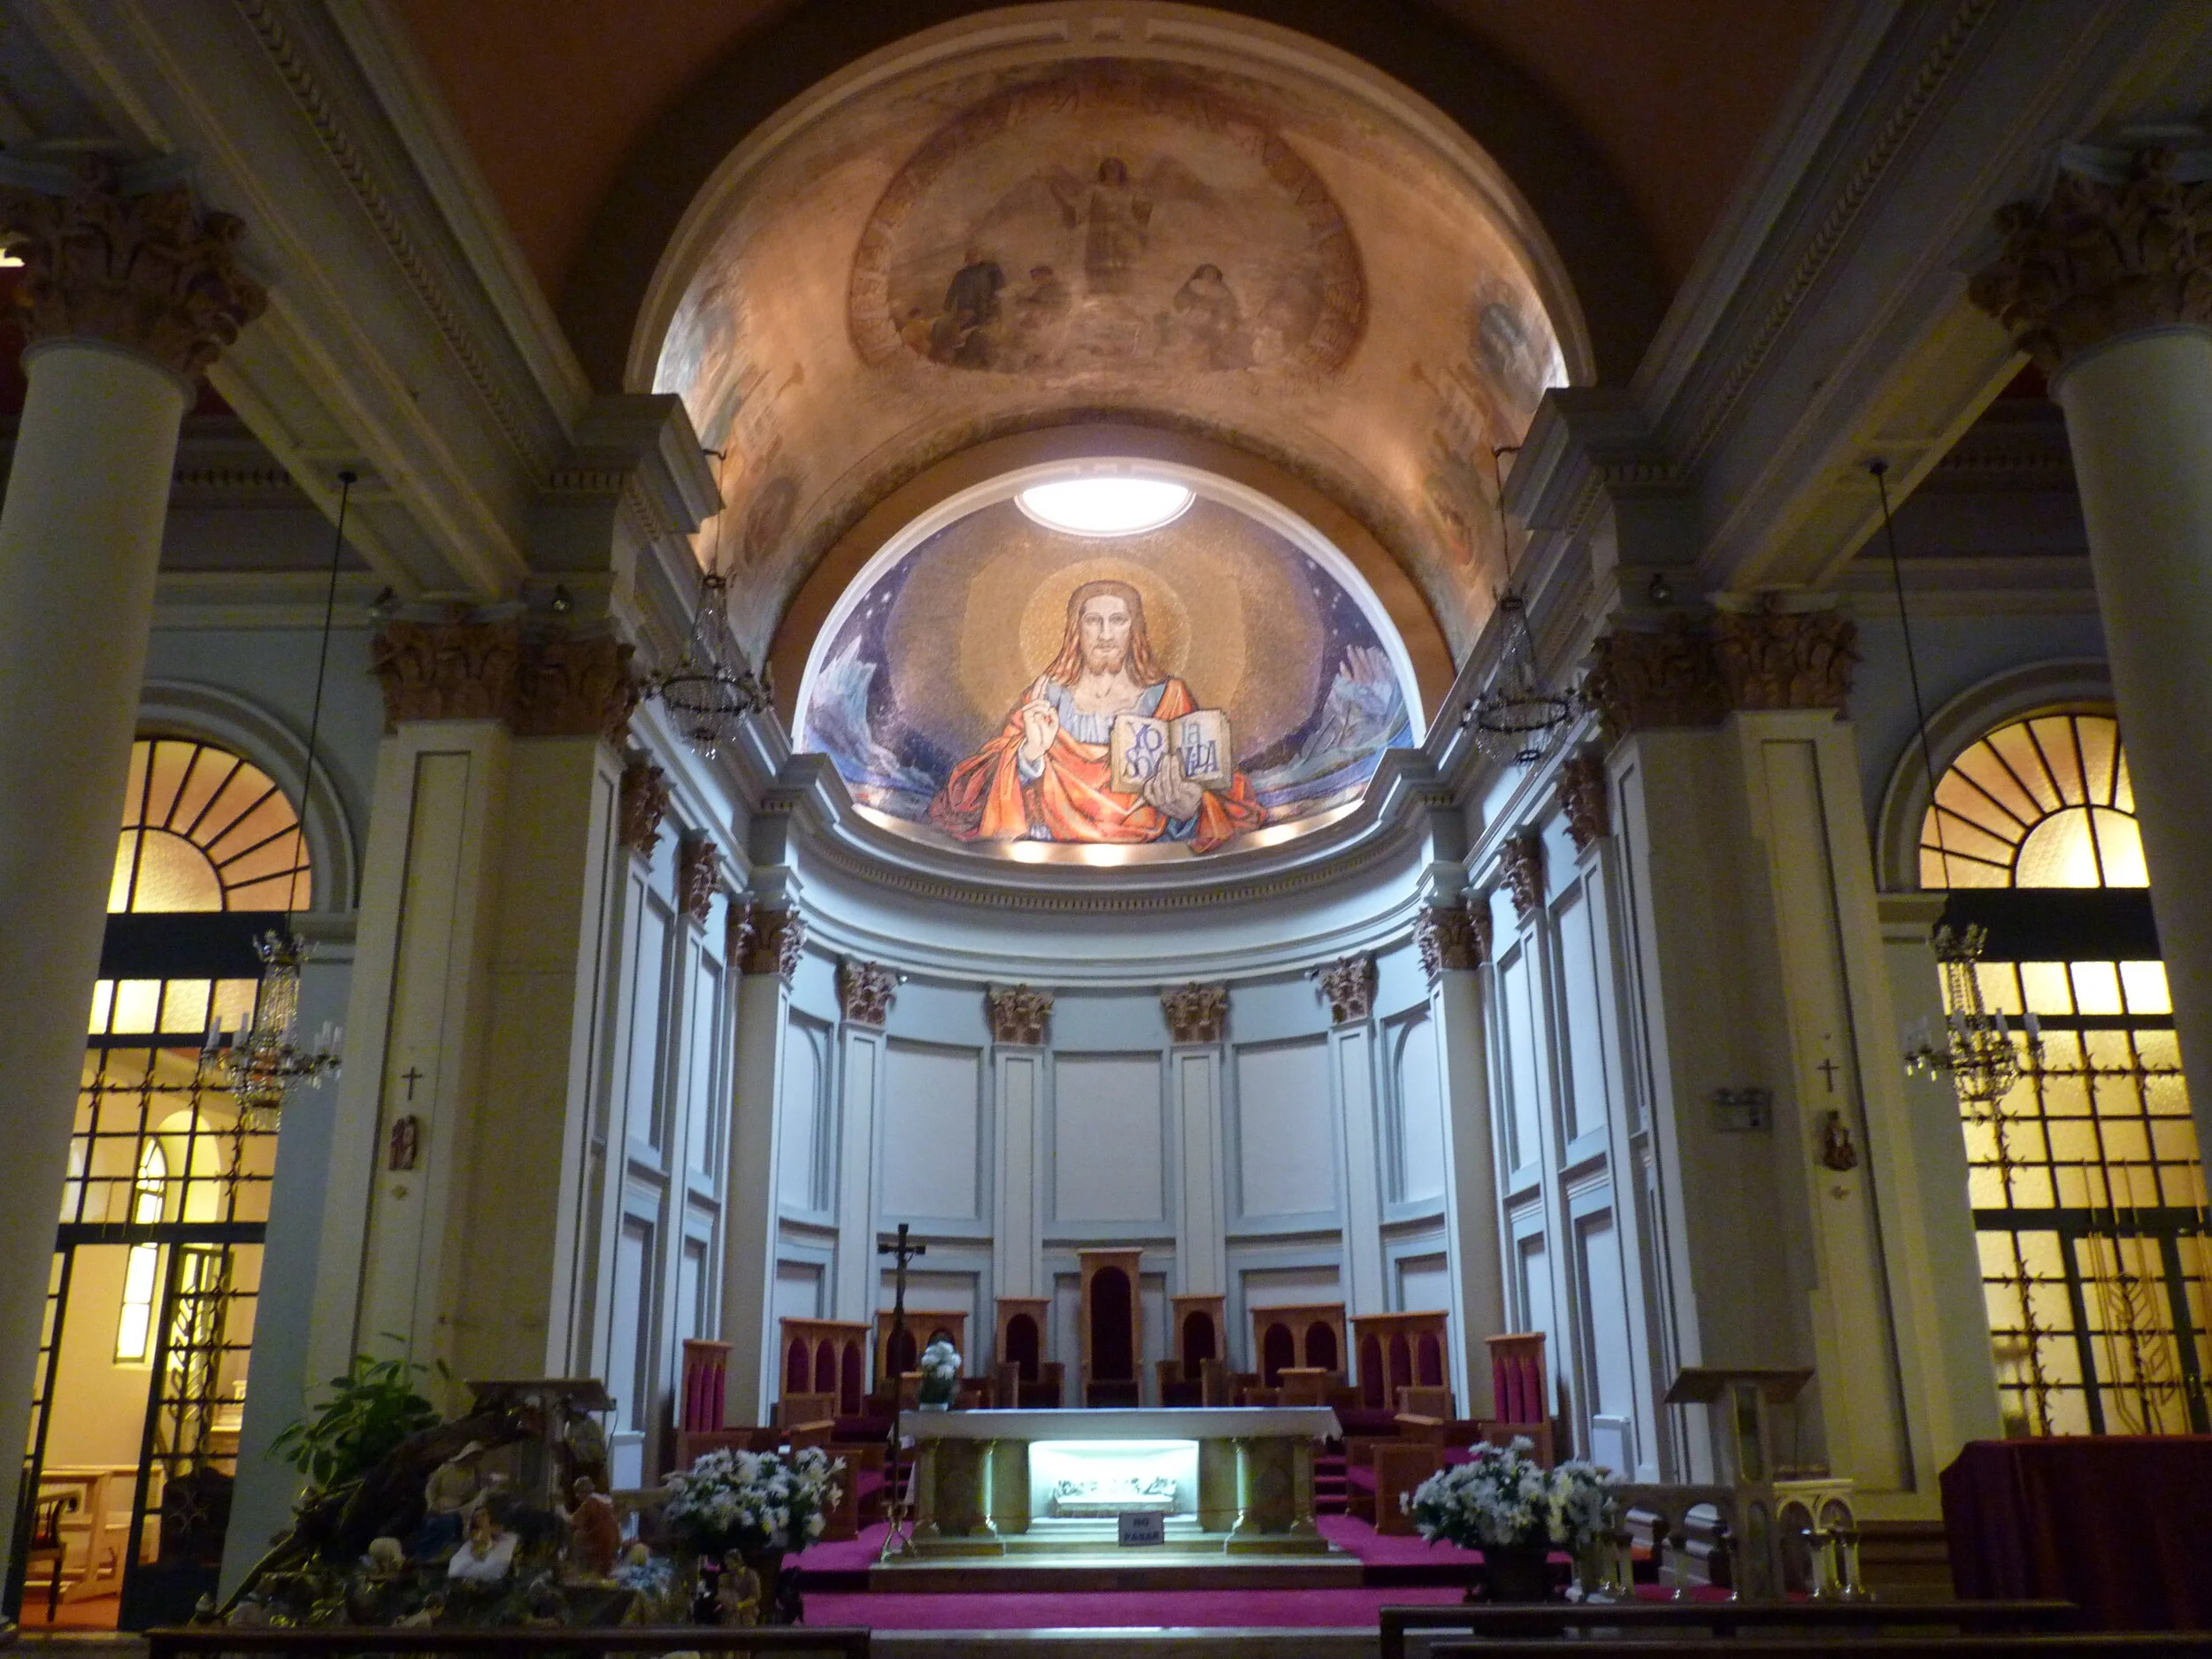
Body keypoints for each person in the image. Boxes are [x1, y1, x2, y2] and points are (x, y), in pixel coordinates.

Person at [928, 579, 1263, 853]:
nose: (1105, 634)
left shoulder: (1171, 698)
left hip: (1155, 856)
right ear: (1076, 629)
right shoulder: (1046, 697)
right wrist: (1030, 755)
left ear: (1135, 629)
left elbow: (1217, 792)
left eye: (1118, 620)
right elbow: (981, 791)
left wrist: (1188, 812)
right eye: (1093, 621)